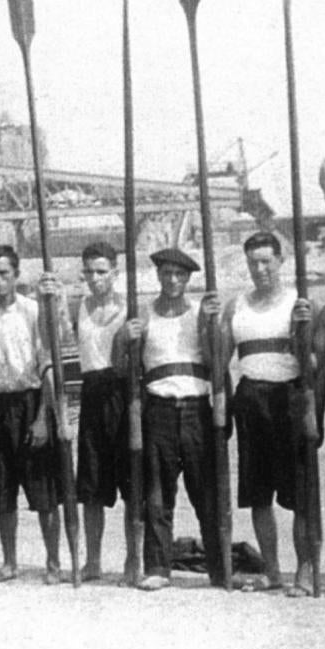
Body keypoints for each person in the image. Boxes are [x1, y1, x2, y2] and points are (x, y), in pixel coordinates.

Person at [113, 248, 222, 591]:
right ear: (158, 276)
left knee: (206, 492)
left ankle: (220, 569)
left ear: (188, 279)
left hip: (195, 409)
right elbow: (120, 366)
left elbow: (219, 359)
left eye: (180, 275)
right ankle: (158, 567)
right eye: (167, 274)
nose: (173, 280)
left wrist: (211, 326)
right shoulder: (143, 317)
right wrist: (123, 338)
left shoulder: (201, 315)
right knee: (157, 495)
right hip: (158, 409)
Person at [220, 231, 320, 595]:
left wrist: (305, 331)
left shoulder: (298, 303)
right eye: (253, 263)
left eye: (266, 262)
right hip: (250, 399)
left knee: (297, 494)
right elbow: (220, 359)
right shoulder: (237, 306)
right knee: (258, 493)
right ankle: (274, 571)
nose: (260, 269)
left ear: (280, 261)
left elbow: (312, 362)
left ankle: (304, 571)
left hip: (287, 398)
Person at [0, 244, 65, 584]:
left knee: (43, 491)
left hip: (29, 402)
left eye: (4, 273)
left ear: (16, 275)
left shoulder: (34, 312)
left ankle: (53, 562)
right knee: (2, 491)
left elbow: (49, 364)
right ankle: (9, 561)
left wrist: (41, 418)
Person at [67, 242, 134, 582]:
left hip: (123, 393)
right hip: (92, 393)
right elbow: (48, 323)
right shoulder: (77, 306)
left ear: (115, 273)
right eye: (89, 272)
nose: (94, 278)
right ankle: (93, 561)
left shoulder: (131, 307)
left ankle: (132, 560)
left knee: (131, 482)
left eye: (101, 271)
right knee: (91, 486)